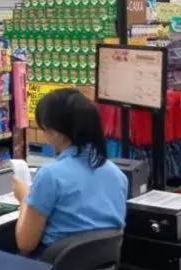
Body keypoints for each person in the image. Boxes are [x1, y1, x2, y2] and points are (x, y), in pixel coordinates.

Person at [13, 88, 128, 256]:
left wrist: (25, 198)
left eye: (46, 130)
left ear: (58, 134)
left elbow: (25, 243)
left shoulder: (50, 175)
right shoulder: (118, 176)